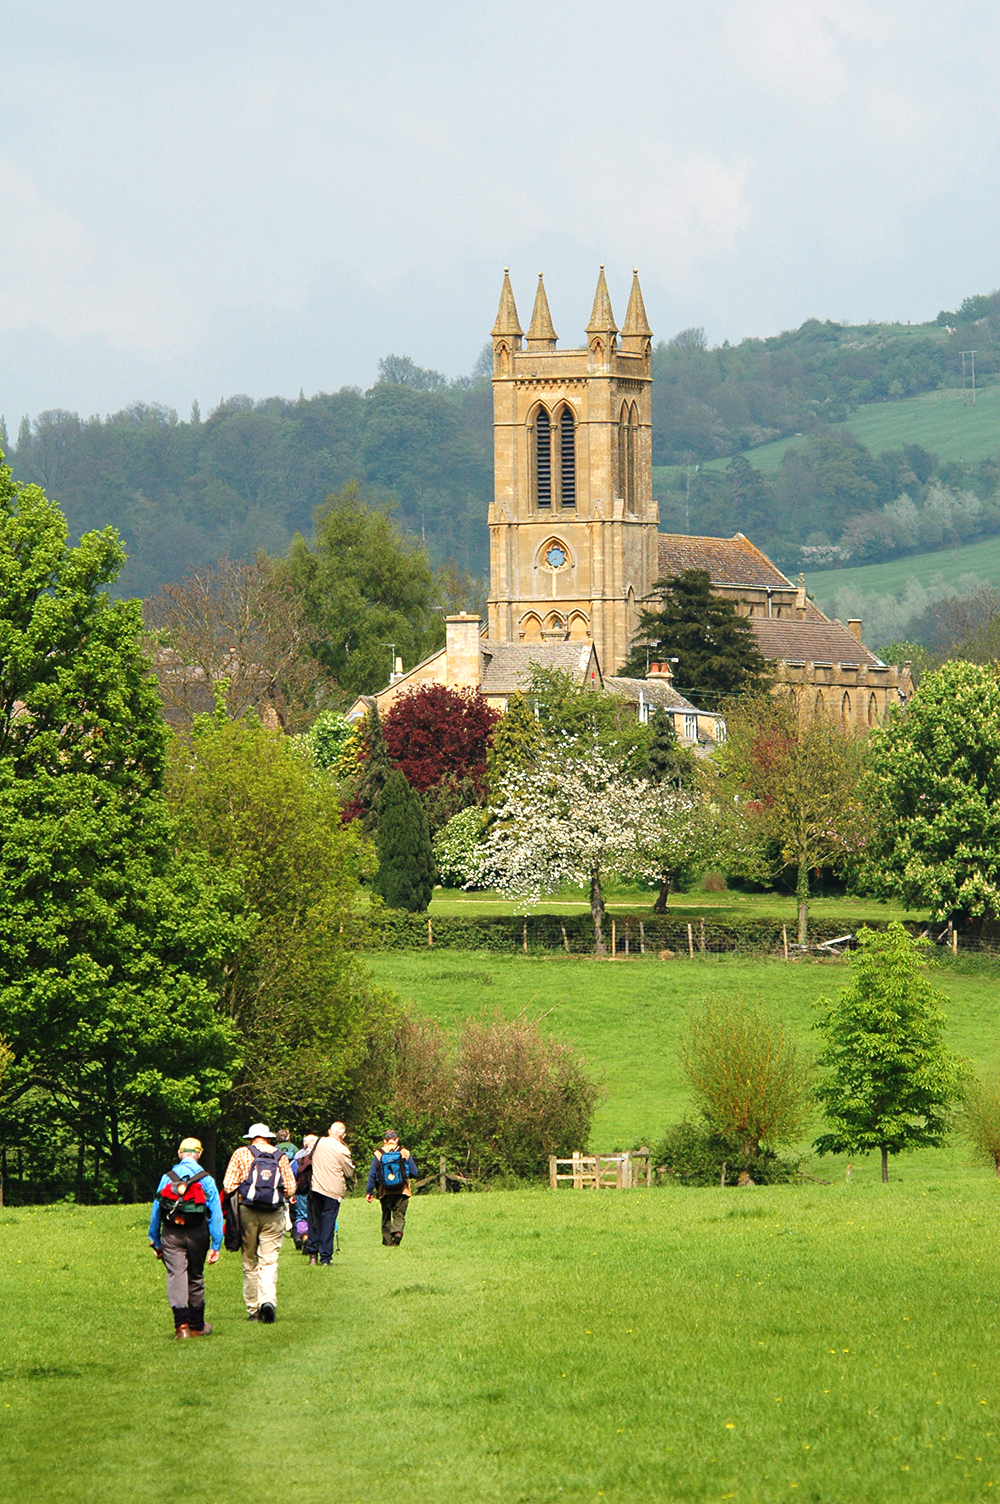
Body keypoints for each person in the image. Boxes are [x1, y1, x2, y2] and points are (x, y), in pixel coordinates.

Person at [148, 1136, 222, 1339]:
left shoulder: (167, 1177)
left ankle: (181, 1328)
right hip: (198, 1232)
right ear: (199, 1155)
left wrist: (154, 1239)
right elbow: (216, 1213)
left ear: (180, 1154)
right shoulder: (206, 1178)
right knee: (195, 1276)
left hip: (171, 1233)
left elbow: (156, 1210)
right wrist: (216, 1244)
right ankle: (198, 1326)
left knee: (176, 1275)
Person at [222, 1122, 296, 1323]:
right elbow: (291, 1188)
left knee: (249, 1260)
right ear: (269, 1138)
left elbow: (228, 1185)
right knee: (269, 1259)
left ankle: (253, 1309)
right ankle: (268, 1301)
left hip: (247, 1212)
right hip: (273, 1213)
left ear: (250, 1138)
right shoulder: (279, 1155)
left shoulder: (240, 1153)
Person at [308, 1121, 354, 1266]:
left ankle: (313, 1256)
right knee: (328, 1224)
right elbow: (349, 1172)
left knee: (314, 1222)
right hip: (333, 1192)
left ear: (329, 1131)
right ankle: (326, 1258)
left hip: (315, 1187)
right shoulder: (342, 1150)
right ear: (344, 1135)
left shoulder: (319, 1142)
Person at [365, 1129, 418, 1246]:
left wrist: (369, 1191)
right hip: (403, 1191)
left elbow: (372, 1175)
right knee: (399, 1214)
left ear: (384, 1140)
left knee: (386, 1216)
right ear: (397, 1140)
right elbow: (414, 1172)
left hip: (385, 1191)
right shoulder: (404, 1152)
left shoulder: (378, 1153)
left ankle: (388, 1241)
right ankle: (398, 1232)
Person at [293, 1133, 318, 1251]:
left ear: (304, 1144)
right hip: (317, 1190)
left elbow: (292, 1172)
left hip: (302, 1190)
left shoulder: (299, 1155)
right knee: (316, 1216)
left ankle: (304, 1236)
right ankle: (314, 1240)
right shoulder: (321, 1155)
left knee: (301, 1216)